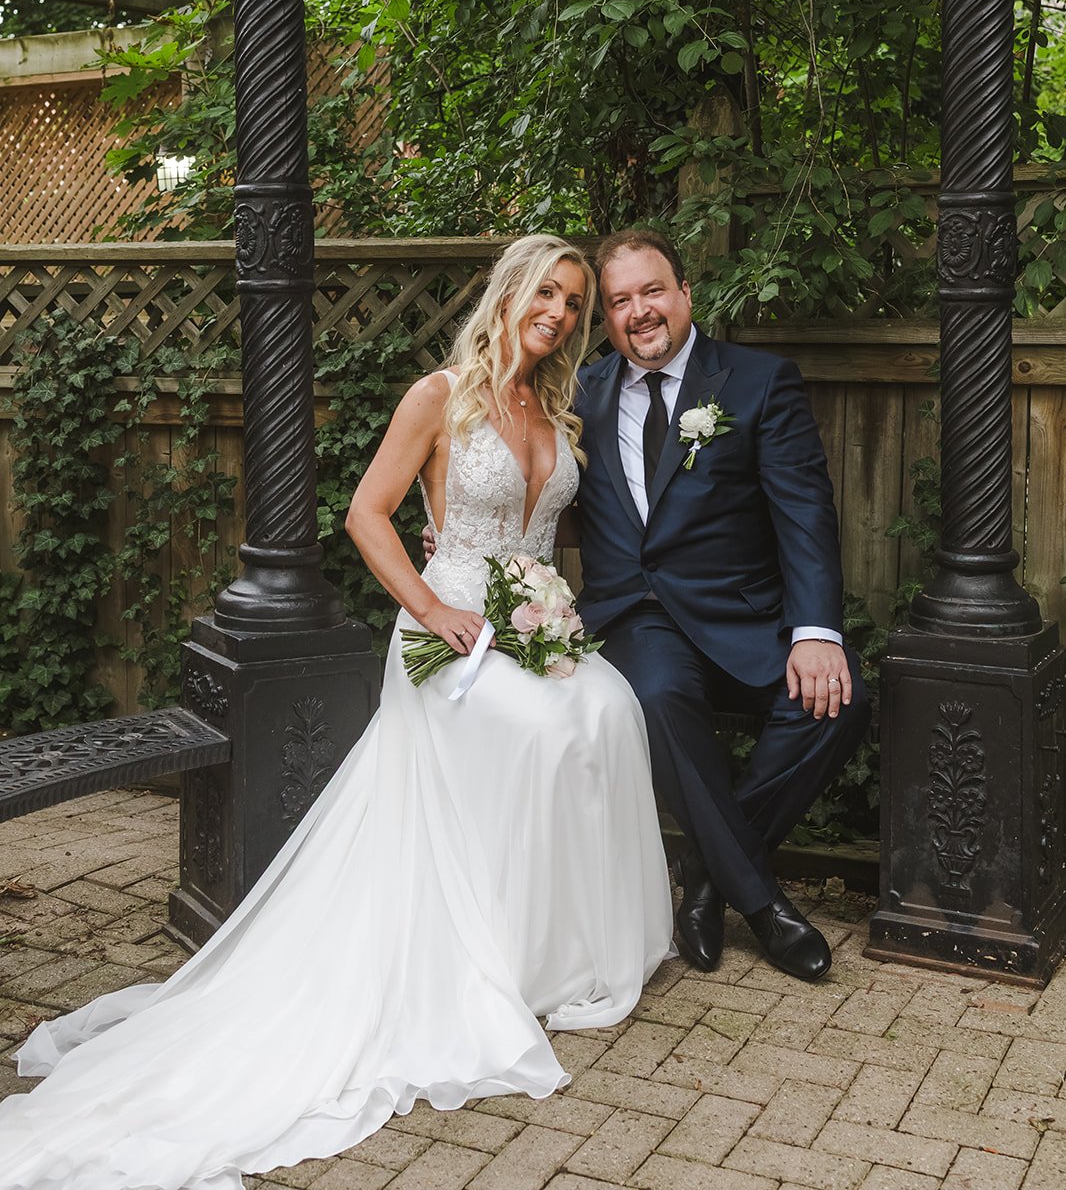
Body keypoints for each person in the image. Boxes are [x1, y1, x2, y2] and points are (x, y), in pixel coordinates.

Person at [0, 233, 673, 1190]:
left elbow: (546, 529)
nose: (560, 313)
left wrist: (545, 614)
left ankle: (562, 956)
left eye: (573, 301)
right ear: (509, 290)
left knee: (606, 709)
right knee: (539, 731)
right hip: (443, 629)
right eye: (548, 292)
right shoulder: (441, 395)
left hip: (524, 622)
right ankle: (499, 964)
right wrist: (434, 604)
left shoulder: (551, 409)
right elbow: (367, 513)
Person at [576, 228, 871, 983]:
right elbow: (520, 479)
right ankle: (766, 908)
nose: (638, 311)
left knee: (834, 702)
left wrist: (814, 631)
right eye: (619, 301)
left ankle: (709, 884)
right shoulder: (577, 396)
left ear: (683, 295)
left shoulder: (756, 381)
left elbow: (804, 513)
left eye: (651, 291)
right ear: (605, 318)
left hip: (741, 618)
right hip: (636, 619)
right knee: (658, 697)